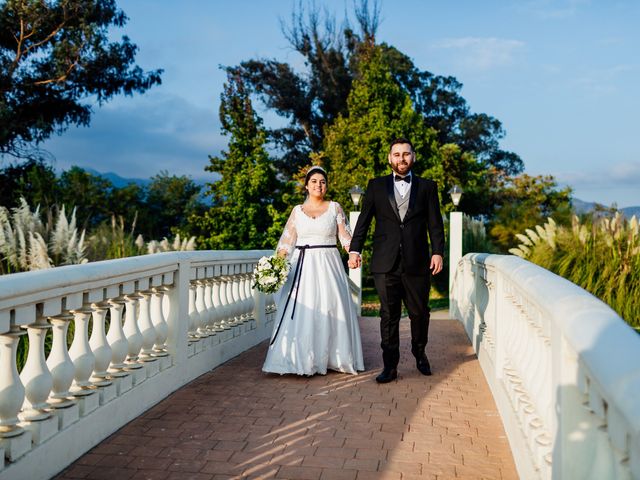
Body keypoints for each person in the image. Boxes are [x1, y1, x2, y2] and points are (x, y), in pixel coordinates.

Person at [348, 137, 445, 383]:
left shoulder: (427, 187)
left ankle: (419, 351)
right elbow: (364, 221)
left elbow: (435, 223)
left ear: (413, 156)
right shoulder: (376, 186)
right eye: (397, 154)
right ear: (390, 158)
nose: (401, 159)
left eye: (406, 154)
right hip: (385, 262)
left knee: (420, 313)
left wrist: (437, 252)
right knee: (388, 315)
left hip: (417, 262)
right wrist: (355, 250)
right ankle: (389, 366)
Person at [262, 166, 365, 376]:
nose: (319, 185)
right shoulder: (297, 211)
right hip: (303, 267)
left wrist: (353, 254)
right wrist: (274, 268)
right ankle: (298, 359)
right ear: (307, 186)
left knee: (330, 308)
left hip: (329, 265)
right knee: (304, 311)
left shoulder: (335, 207)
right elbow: (286, 244)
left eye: (323, 181)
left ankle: (332, 357)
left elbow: (346, 237)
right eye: (314, 181)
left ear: (326, 185)